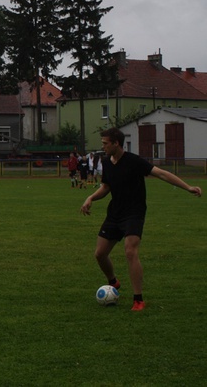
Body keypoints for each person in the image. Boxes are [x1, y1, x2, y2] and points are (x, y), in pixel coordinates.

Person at [80, 128, 201, 311]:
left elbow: (161, 173)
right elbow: (106, 187)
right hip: (115, 213)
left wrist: (188, 187)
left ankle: (138, 299)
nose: (103, 147)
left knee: (130, 251)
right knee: (100, 254)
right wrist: (90, 198)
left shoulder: (134, 161)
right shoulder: (106, 162)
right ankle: (114, 282)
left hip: (134, 213)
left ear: (116, 143)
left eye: (105, 143)